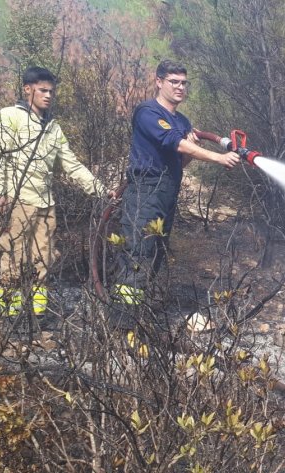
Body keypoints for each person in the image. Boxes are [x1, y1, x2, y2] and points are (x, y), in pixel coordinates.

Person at [111, 60, 239, 320]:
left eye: (184, 83)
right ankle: (122, 324)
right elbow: (172, 141)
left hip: (167, 193)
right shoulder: (147, 112)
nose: (180, 87)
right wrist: (219, 157)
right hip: (145, 192)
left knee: (155, 255)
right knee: (137, 254)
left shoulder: (181, 121)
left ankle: (141, 318)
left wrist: (191, 151)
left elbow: (179, 161)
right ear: (159, 82)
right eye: (174, 82)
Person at [0, 66, 113, 320]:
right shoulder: (10, 116)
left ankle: (38, 314)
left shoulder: (53, 127)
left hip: (45, 204)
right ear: (27, 89)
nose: (48, 96)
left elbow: (71, 164)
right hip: (17, 200)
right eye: (42, 90)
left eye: (51, 91)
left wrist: (101, 190)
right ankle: (10, 315)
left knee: (43, 258)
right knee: (13, 256)